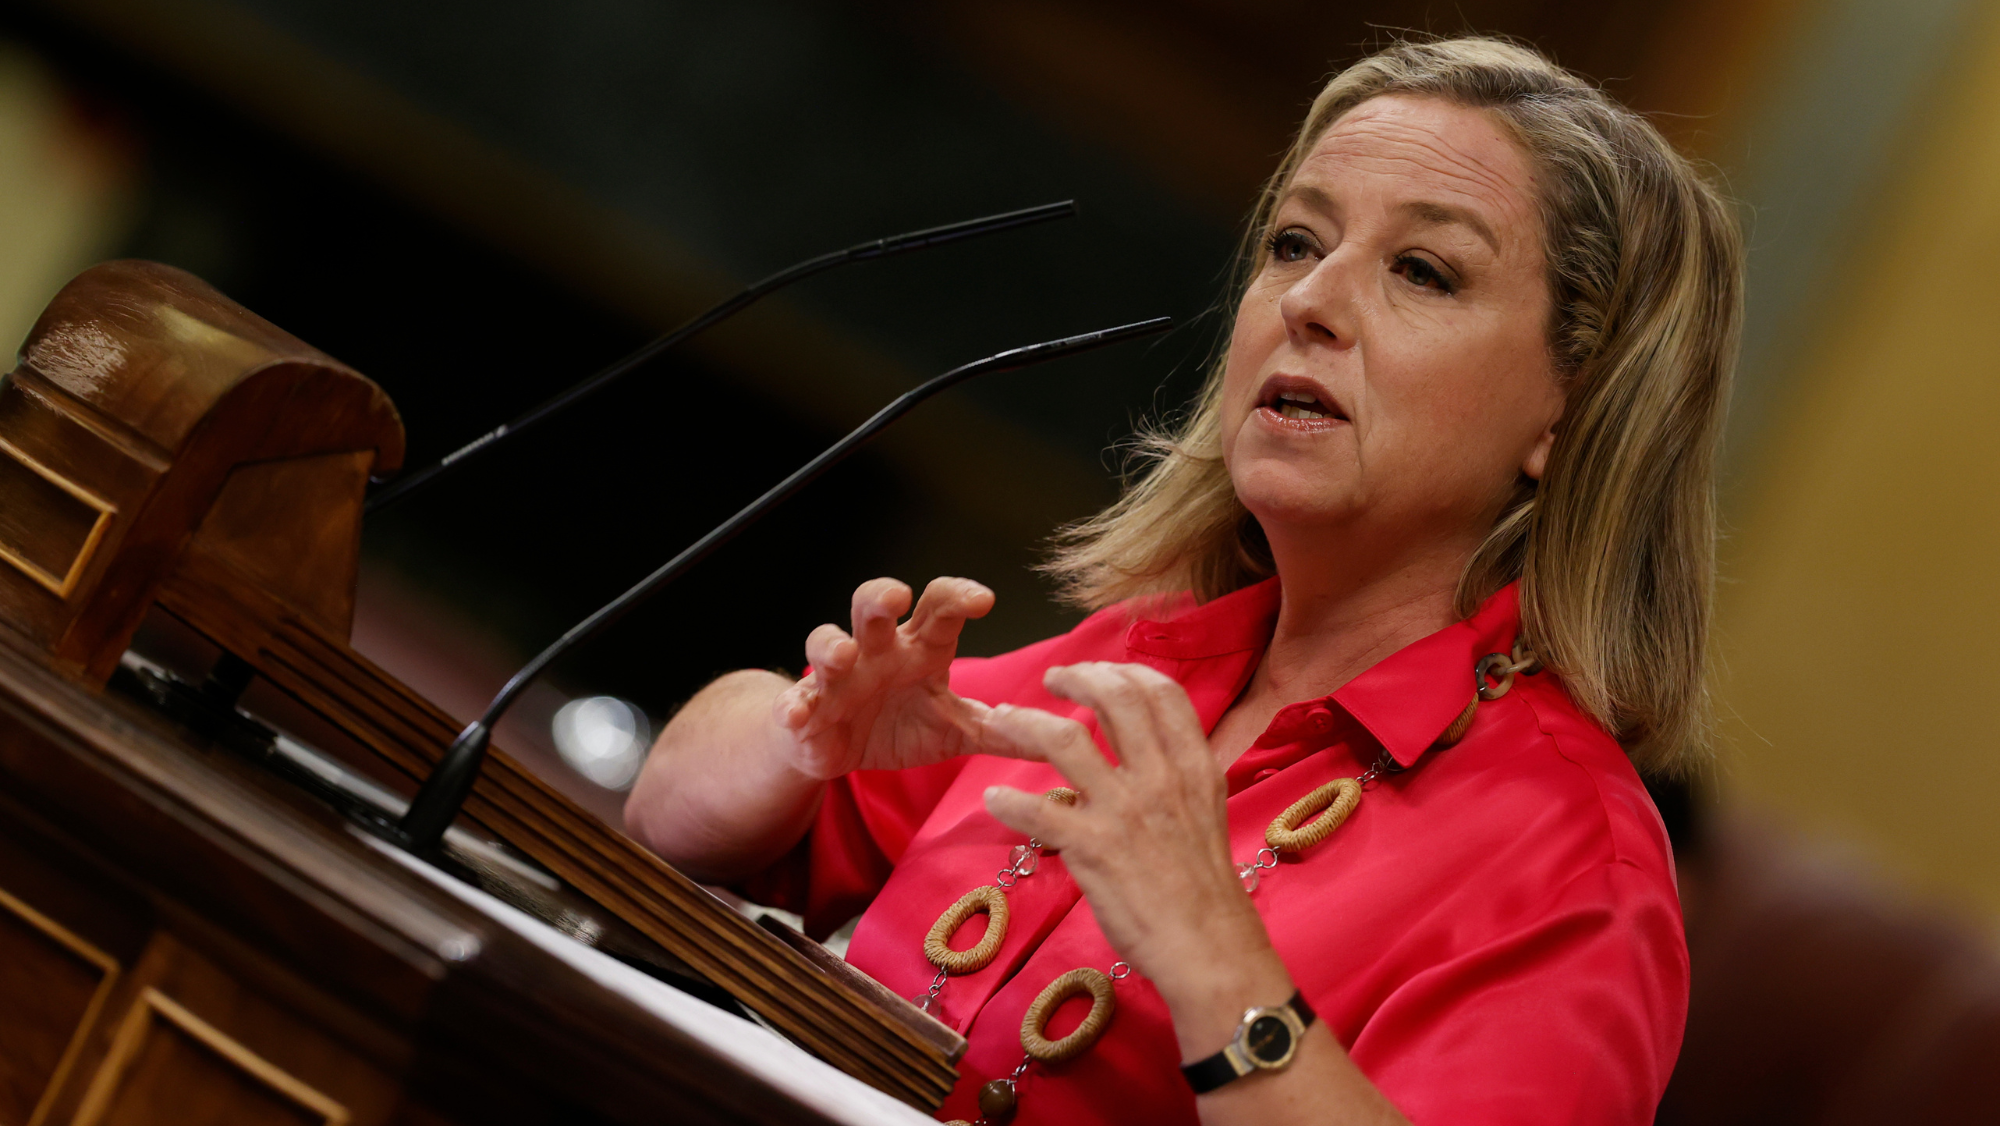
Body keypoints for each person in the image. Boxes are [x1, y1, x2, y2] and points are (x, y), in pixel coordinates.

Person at [626, 35, 1741, 1126]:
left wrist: (1212, 954)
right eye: (1296, 243)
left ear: (1570, 409)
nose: (1309, 301)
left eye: (1420, 270)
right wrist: (800, 733)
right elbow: (668, 820)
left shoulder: (1570, 865)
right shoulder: (1138, 658)